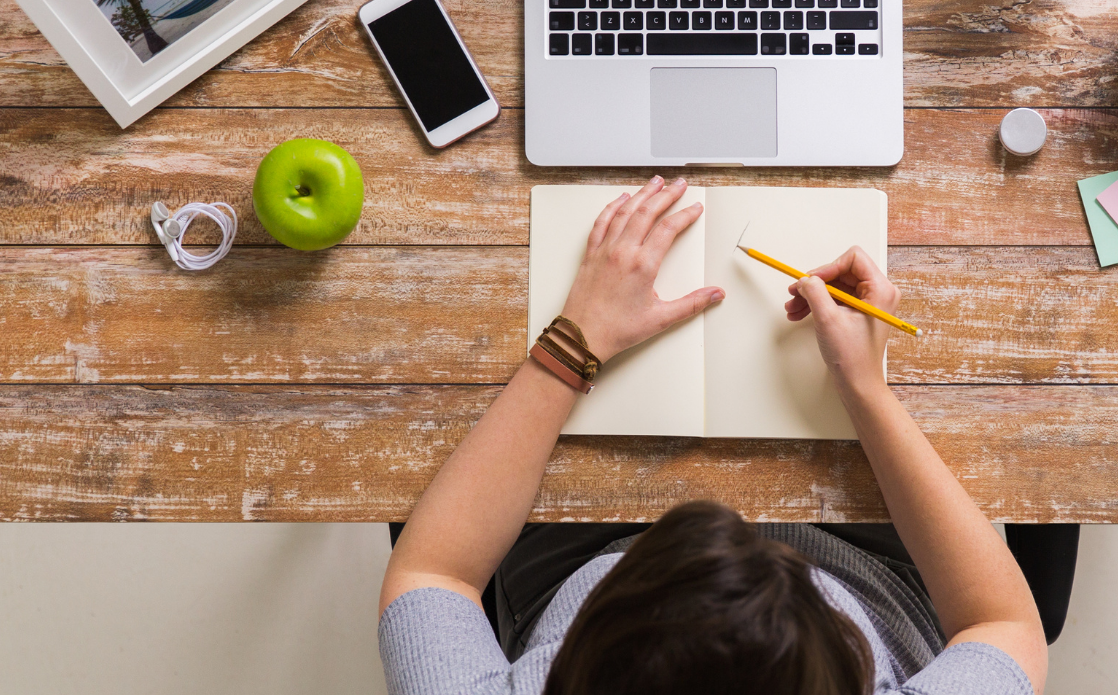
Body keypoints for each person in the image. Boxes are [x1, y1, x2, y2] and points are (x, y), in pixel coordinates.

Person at [379, 177, 1048, 695]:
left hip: (569, 550)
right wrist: (867, 390)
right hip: (874, 556)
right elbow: (1005, 626)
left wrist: (571, 341)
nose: (730, 519)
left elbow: (432, 569)